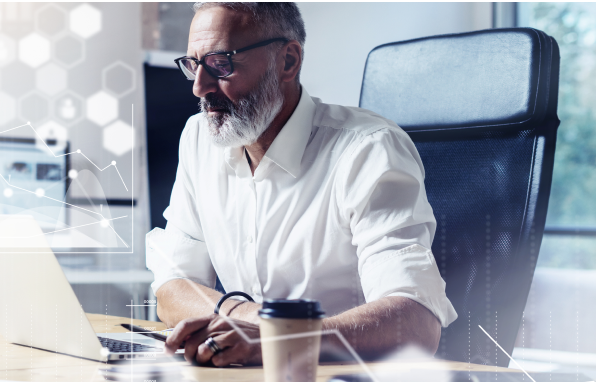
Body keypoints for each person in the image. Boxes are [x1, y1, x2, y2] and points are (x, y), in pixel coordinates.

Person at [145, 2, 458, 367]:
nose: (200, 87)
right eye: (193, 65)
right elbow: (172, 288)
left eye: (220, 63)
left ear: (288, 61)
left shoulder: (368, 148)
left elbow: (417, 324)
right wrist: (245, 317)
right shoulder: (200, 139)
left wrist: (279, 339)